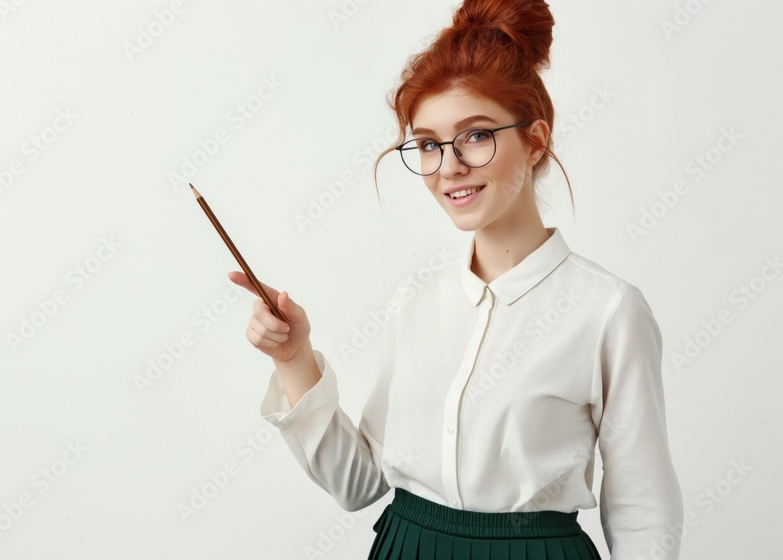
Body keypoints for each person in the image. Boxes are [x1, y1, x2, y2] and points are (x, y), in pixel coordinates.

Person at [228, 0, 684, 558]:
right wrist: (294, 359)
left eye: (475, 136)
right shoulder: (416, 302)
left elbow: (644, 509)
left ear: (536, 140)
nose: (448, 167)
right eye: (427, 144)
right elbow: (360, 485)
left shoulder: (608, 311)